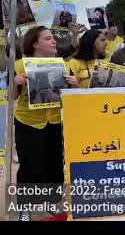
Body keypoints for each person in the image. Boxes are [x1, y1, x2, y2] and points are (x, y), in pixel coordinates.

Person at [13, 26, 78, 221]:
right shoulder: (19, 65)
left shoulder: (63, 65)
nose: (54, 41)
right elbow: (12, 97)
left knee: (54, 165)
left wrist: (73, 84)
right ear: (35, 43)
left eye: (53, 38)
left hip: (54, 123)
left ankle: (51, 201)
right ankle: (24, 209)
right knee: (30, 167)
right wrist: (16, 82)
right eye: (48, 38)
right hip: (29, 123)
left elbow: (70, 98)